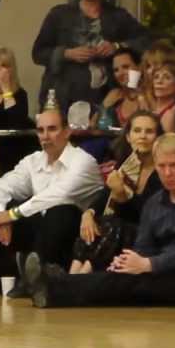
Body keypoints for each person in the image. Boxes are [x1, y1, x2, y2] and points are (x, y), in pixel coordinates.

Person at [27, 133, 175, 308]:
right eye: (162, 166)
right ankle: (51, 290)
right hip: (164, 270)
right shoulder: (154, 203)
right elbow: (144, 246)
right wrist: (129, 262)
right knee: (122, 278)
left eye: (174, 165)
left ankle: (52, 287)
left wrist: (147, 263)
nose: (167, 173)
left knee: (135, 285)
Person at [0, 109, 103, 296]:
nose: (45, 136)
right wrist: (0, 214)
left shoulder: (83, 161)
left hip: (79, 234)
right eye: (41, 130)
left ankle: (36, 279)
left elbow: (58, 195)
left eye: (52, 129)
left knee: (60, 211)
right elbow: (0, 186)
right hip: (43, 230)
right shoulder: (33, 161)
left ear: (67, 131)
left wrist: (11, 215)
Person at [31, 0, 149, 111]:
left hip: (105, 99)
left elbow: (146, 40)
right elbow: (38, 53)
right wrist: (67, 53)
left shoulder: (118, 17)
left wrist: (116, 46)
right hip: (61, 97)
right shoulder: (59, 15)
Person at [70, 111, 162, 274]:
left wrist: (124, 197)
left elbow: (149, 215)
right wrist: (89, 213)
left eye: (149, 131)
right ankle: (73, 275)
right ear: (128, 137)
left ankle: (76, 280)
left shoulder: (163, 169)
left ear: (158, 138)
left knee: (112, 227)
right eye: (137, 131)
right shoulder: (127, 164)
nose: (142, 136)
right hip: (117, 230)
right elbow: (105, 195)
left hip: (145, 234)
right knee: (94, 227)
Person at [101, 47, 143, 128]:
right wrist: (104, 108)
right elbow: (94, 125)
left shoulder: (150, 95)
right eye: (116, 70)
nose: (120, 73)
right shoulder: (114, 94)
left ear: (140, 67)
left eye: (125, 67)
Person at [145, 51, 175, 135]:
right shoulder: (153, 106)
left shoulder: (171, 113)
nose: (159, 81)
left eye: (167, 77)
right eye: (156, 77)